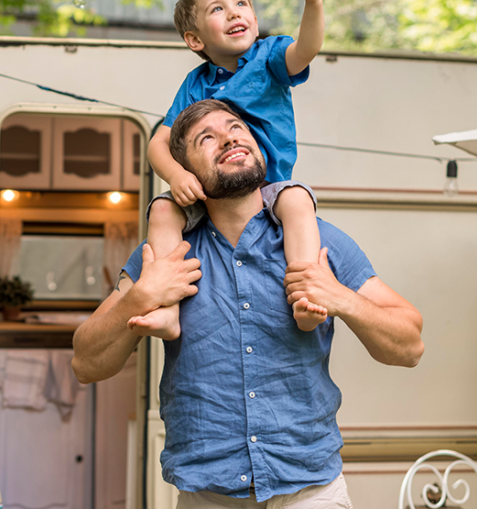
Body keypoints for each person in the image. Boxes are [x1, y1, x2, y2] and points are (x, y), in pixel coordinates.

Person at [72, 99, 424, 507]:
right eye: (207, 138)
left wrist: (340, 297)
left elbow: (410, 346)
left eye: (236, 127)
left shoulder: (319, 242)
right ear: (185, 171)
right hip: (207, 496)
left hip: (311, 493)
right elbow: (86, 363)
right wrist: (141, 296)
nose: (229, 138)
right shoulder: (163, 255)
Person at [143, 0, 326, 339]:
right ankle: (166, 308)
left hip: (267, 187)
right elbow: (158, 143)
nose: (234, 13)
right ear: (195, 40)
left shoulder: (269, 58)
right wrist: (177, 175)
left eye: (241, 3)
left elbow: (307, 47)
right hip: (213, 193)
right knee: (162, 209)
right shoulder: (196, 83)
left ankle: (307, 296)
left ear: (255, 20)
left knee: (297, 203)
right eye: (217, 9)